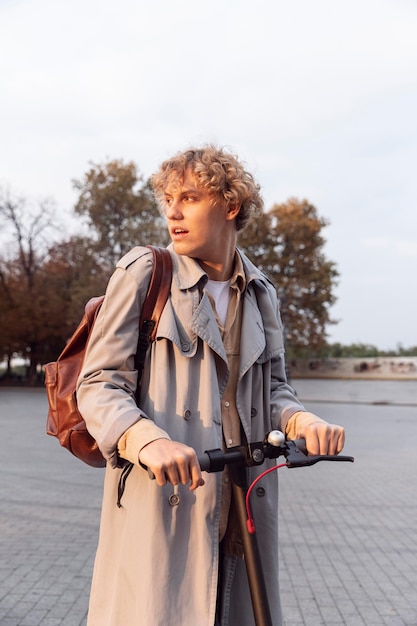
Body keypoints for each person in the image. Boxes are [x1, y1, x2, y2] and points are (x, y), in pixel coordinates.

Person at [77, 145, 345, 626]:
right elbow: (98, 384)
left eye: (191, 198)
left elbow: (275, 390)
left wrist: (304, 420)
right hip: (166, 503)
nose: (173, 212)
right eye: (169, 200)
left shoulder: (262, 293)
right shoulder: (144, 273)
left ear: (230, 204)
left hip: (242, 506)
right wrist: (148, 440)